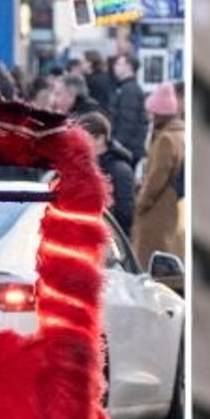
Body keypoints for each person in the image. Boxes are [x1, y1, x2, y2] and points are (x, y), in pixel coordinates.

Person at [131, 81, 184, 266]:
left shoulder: (165, 140)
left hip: (157, 214)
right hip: (171, 210)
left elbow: (156, 178)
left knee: (149, 264)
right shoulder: (181, 135)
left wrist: (140, 203)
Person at [73, 110, 137, 242]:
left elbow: (125, 214)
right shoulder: (84, 166)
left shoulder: (120, 171)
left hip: (110, 244)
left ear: (100, 138)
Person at [106, 53, 149, 162]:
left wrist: (117, 145)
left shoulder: (129, 90)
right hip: (129, 147)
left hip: (127, 149)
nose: (115, 67)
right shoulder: (124, 87)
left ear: (129, 67)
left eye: (119, 64)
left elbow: (127, 121)